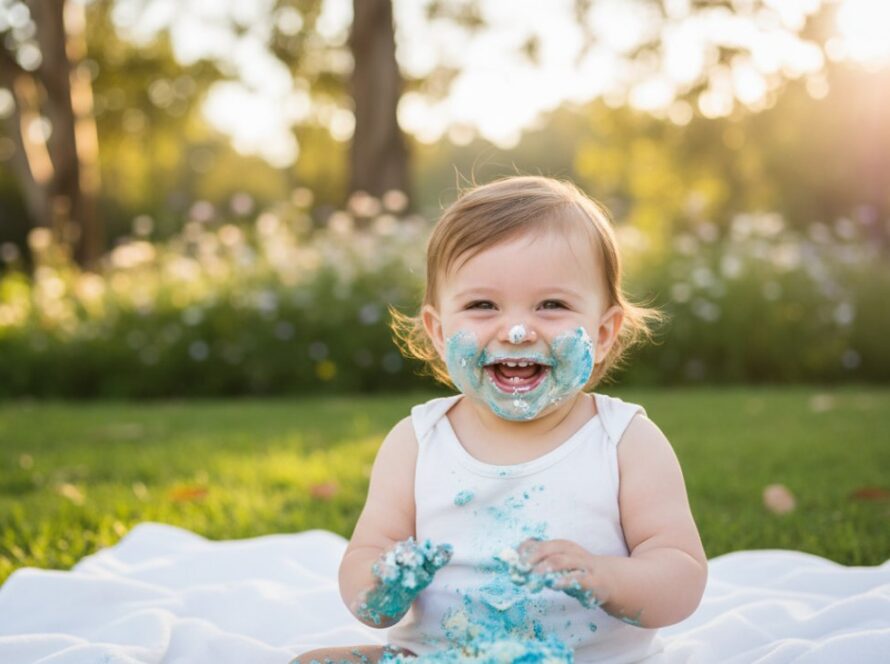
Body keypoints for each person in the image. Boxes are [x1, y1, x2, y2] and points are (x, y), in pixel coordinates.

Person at [292, 175, 708, 663]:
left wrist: (606, 577)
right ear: (438, 330)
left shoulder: (624, 441)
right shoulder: (418, 442)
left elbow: (681, 574)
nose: (515, 330)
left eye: (551, 305)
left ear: (602, 332)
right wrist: (382, 588)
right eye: (482, 305)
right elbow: (364, 558)